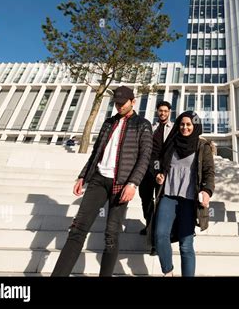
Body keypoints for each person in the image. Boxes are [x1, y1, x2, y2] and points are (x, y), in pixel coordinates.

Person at [51, 86, 153, 276]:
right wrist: (83, 176)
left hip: (121, 184)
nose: (119, 106)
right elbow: (96, 152)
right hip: (98, 179)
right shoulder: (108, 123)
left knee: (111, 235)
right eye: (116, 103)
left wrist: (133, 183)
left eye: (123, 103)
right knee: (77, 230)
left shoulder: (143, 124)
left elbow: (145, 157)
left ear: (133, 102)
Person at [154, 111, 214, 276]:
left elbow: (209, 171)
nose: (185, 127)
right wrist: (159, 174)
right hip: (168, 195)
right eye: (182, 124)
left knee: (186, 245)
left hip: (189, 199)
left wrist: (207, 190)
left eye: (188, 124)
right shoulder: (171, 142)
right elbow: (159, 163)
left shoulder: (202, 146)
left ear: (195, 126)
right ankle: (168, 271)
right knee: (160, 235)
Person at [139, 101, 174, 238]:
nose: (163, 113)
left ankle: (159, 231)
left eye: (165, 111)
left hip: (163, 170)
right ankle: (149, 225)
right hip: (147, 169)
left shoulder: (174, 128)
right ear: (157, 112)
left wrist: (165, 170)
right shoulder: (151, 127)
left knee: (160, 201)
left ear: (169, 112)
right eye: (160, 111)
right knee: (146, 199)